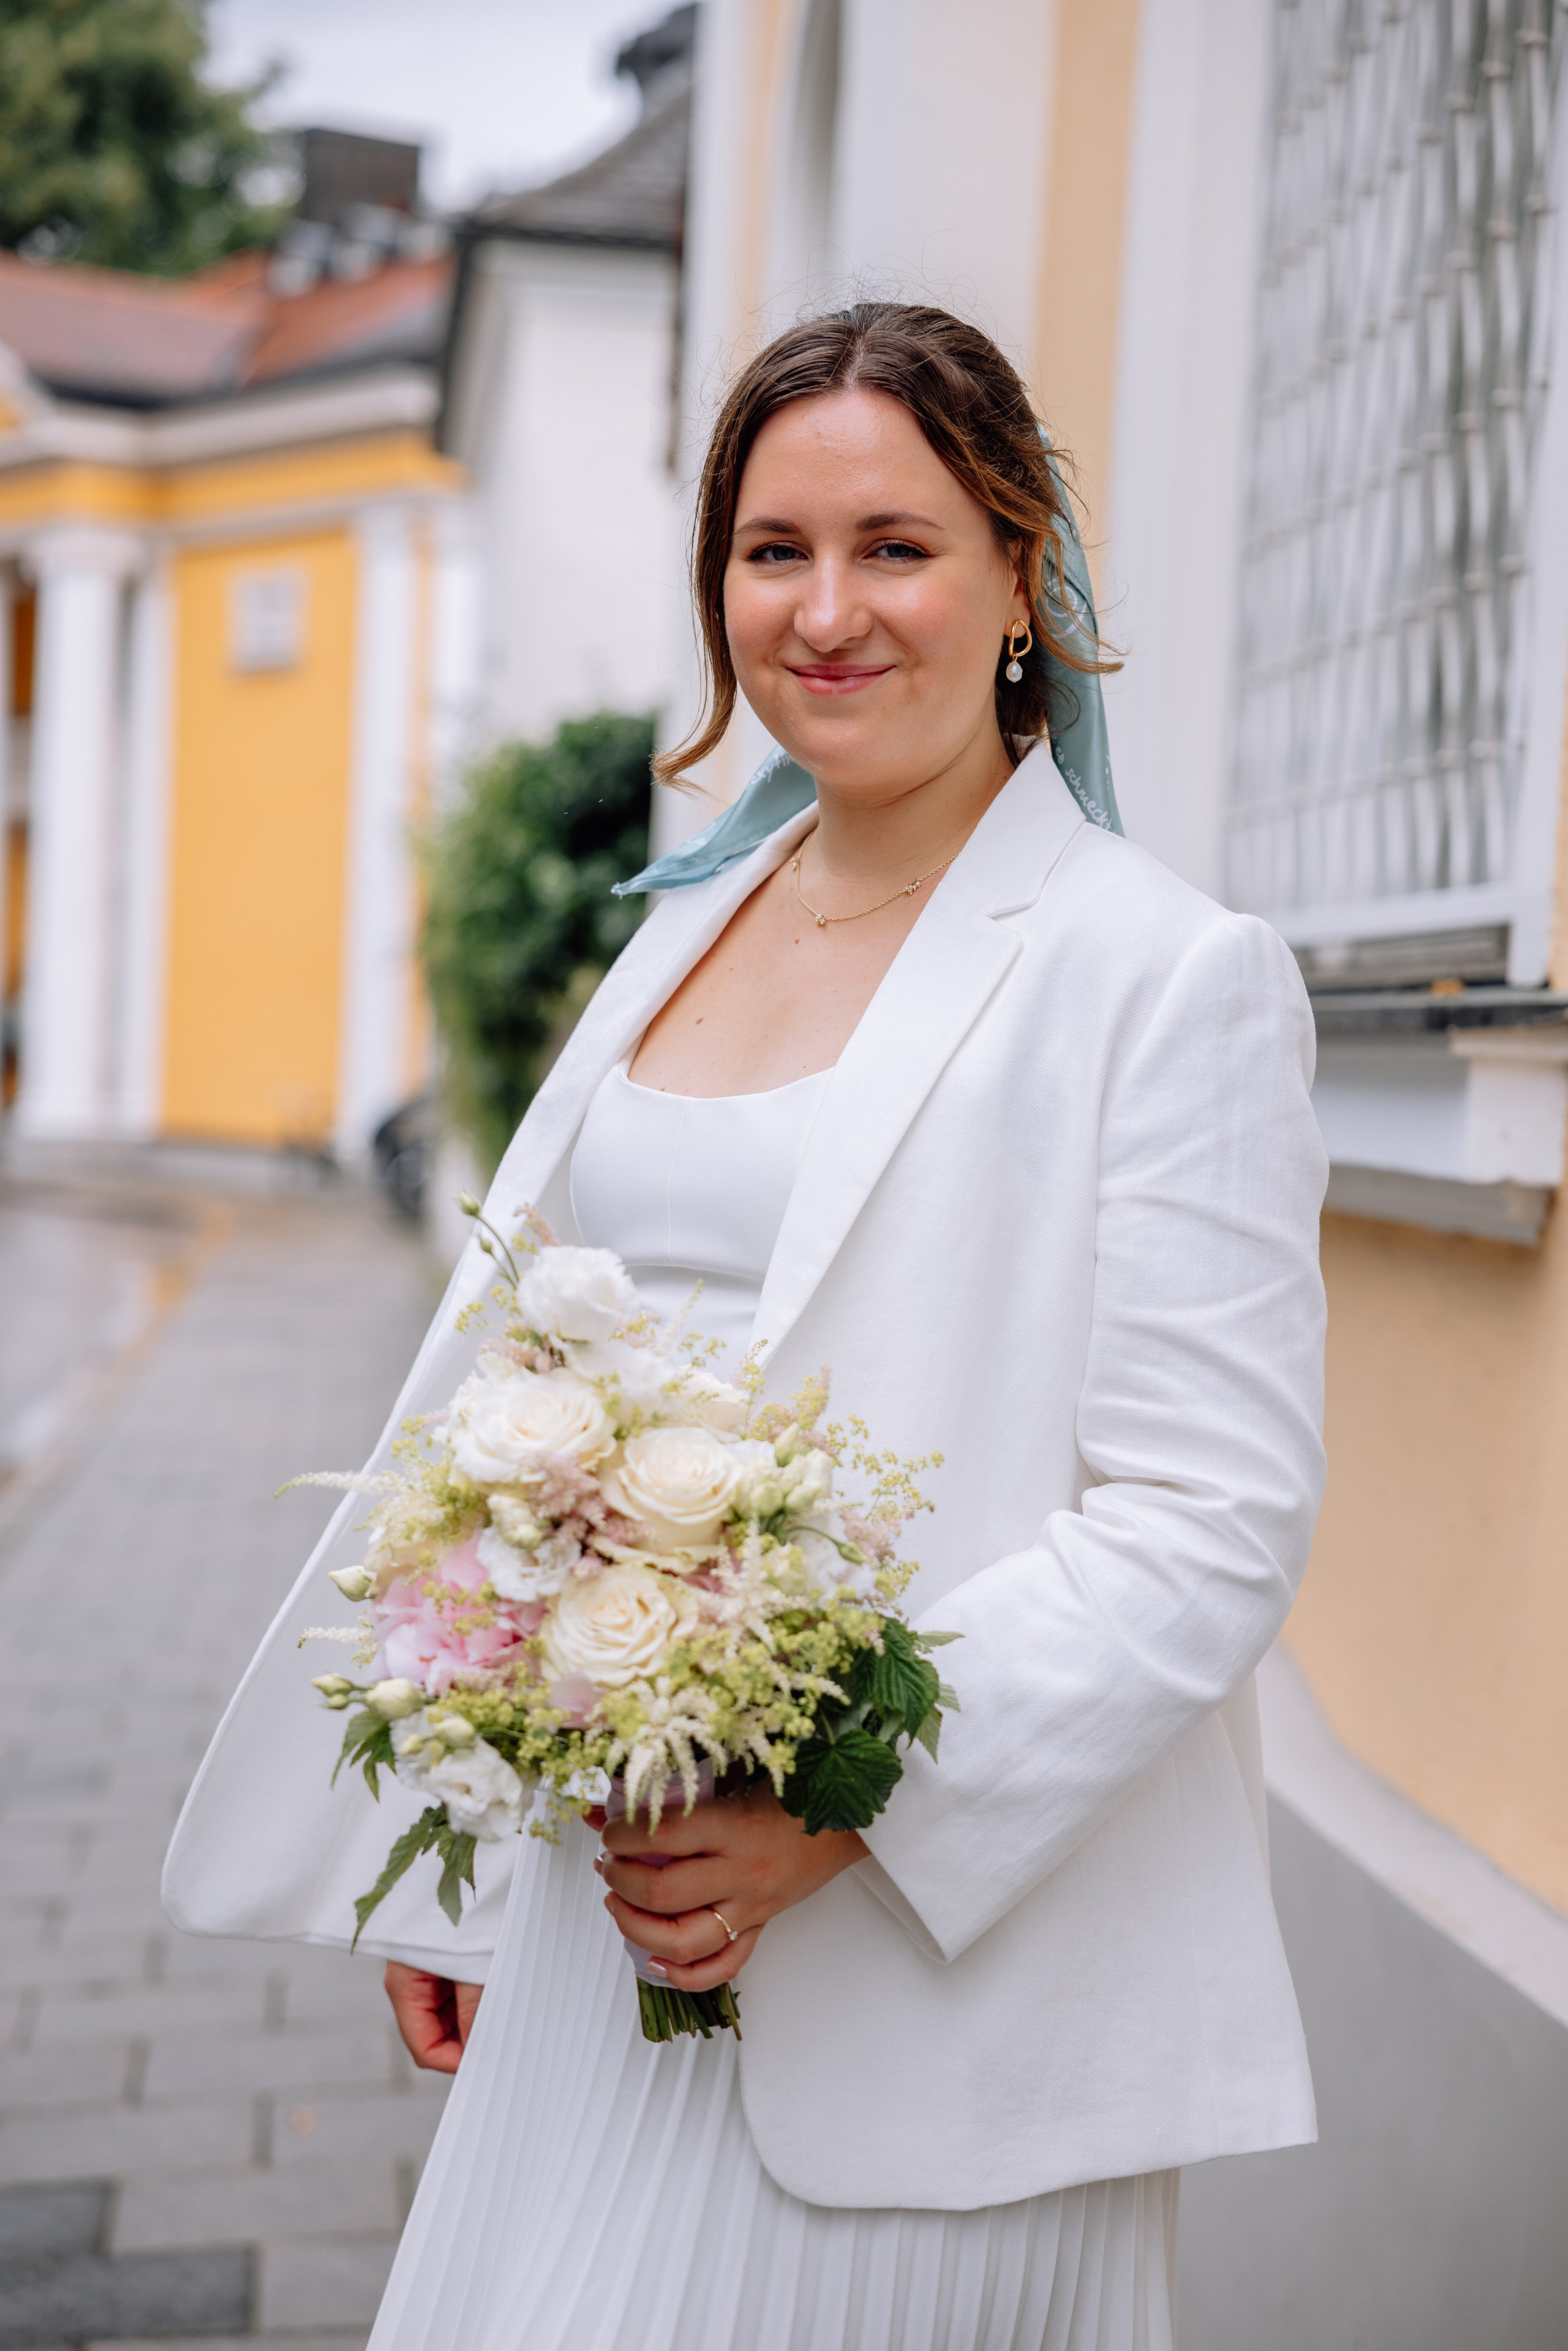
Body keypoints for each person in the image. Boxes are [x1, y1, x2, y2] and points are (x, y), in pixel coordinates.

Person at [164, 302, 1327, 2351]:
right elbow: (525, 1390)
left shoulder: (1166, 977)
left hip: (928, 1974)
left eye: (897, 544)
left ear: (1018, 568)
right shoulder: (686, 926)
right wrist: (450, 1864)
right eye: (772, 549)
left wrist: (839, 1811)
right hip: (594, 1921)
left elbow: (1211, 1518)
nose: (828, 610)